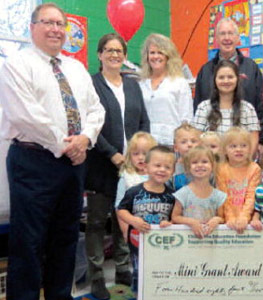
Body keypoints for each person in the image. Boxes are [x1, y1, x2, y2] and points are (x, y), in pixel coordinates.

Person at [0, 3, 105, 299]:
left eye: (61, 24)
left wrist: (84, 139)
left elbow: (96, 109)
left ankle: (60, 295)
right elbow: (26, 116)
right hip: (33, 161)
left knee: (66, 238)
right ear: (32, 27)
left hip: (75, 163)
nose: (56, 29)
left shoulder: (76, 68)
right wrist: (66, 145)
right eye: (48, 22)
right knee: (28, 242)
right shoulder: (16, 65)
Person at [85, 32, 150, 299]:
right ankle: (97, 278)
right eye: (109, 50)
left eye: (119, 51)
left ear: (125, 56)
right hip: (102, 164)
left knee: (125, 219)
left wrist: (141, 154)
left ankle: (124, 270)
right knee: (98, 223)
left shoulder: (133, 85)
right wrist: (112, 154)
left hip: (131, 168)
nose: (115, 54)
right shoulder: (91, 84)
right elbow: (90, 125)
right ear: (99, 55)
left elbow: (144, 121)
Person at [194, 18, 263, 145]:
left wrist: (261, 142)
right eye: (222, 34)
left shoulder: (251, 68)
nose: (227, 38)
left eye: (231, 33)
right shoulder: (205, 71)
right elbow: (197, 106)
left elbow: (260, 106)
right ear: (216, 38)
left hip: (243, 146)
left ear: (237, 37)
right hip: (211, 148)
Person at [117, 145, 176, 294]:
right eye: (157, 165)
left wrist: (169, 224)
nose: (162, 170)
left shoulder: (173, 196)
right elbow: (121, 210)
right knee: (139, 271)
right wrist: (133, 220)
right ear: (146, 166)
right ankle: (139, 294)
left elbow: (175, 218)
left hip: (162, 244)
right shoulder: (134, 191)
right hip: (138, 242)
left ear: (173, 171)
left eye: (167, 167)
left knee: (161, 272)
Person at [192, 59, 260, 156]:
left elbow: (253, 140)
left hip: (239, 165)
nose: (226, 81)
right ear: (215, 80)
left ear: (237, 79)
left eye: (230, 77)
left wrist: (244, 161)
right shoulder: (203, 107)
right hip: (211, 166)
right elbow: (196, 139)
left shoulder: (248, 108)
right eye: (221, 77)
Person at [139, 33, 193, 147]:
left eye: (160, 52)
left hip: (171, 145)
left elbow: (186, 119)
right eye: (152, 53)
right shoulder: (141, 84)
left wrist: (182, 144)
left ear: (168, 56)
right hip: (147, 144)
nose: (156, 56)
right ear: (147, 56)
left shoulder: (179, 83)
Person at [171, 146, 226, 238]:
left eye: (204, 162)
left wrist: (216, 220)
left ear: (212, 166)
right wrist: (191, 222)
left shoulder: (218, 195)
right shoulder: (183, 193)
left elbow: (222, 217)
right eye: (195, 162)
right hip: (188, 241)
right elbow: (175, 217)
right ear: (188, 167)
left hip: (211, 242)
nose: (200, 165)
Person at [216, 127, 261, 234]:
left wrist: (244, 217)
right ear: (224, 150)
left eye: (243, 146)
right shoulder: (221, 169)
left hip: (249, 221)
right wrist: (230, 217)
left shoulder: (254, 168)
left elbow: (251, 196)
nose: (238, 149)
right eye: (233, 146)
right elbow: (223, 195)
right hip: (226, 220)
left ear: (250, 149)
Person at [115, 132, 157, 239]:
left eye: (145, 153)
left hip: (157, 228)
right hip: (134, 229)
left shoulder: (159, 177)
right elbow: (119, 207)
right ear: (129, 155)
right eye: (136, 154)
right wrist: (125, 230)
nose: (141, 158)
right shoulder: (126, 177)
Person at [172, 123, 201, 191]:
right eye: (183, 142)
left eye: (193, 141)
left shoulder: (205, 166)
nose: (189, 144)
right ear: (176, 147)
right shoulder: (172, 169)